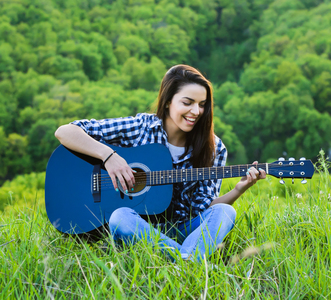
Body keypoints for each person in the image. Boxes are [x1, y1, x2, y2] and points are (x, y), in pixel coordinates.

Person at [54, 64, 266, 262]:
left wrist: (239, 189)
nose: (196, 112)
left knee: (226, 212)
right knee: (119, 216)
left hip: (184, 229)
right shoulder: (141, 127)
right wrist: (109, 157)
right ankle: (188, 261)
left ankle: (182, 261)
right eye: (187, 102)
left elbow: (203, 209)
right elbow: (65, 132)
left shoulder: (214, 148)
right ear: (167, 102)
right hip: (138, 227)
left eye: (202, 105)